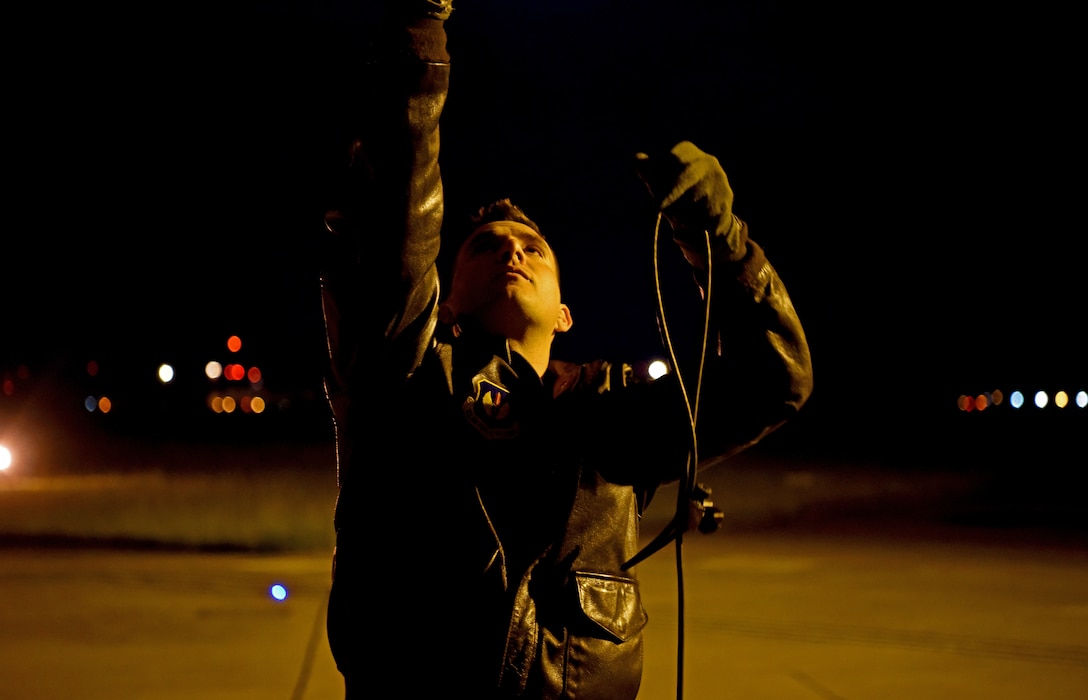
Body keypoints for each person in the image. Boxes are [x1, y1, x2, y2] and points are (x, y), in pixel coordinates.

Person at [318, 2, 813, 698]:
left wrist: (725, 244)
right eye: (485, 248)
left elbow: (775, 381)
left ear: (566, 313)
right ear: (445, 300)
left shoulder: (608, 417)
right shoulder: (402, 378)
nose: (512, 252)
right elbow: (401, 227)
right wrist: (417, 27)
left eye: (532, 248)